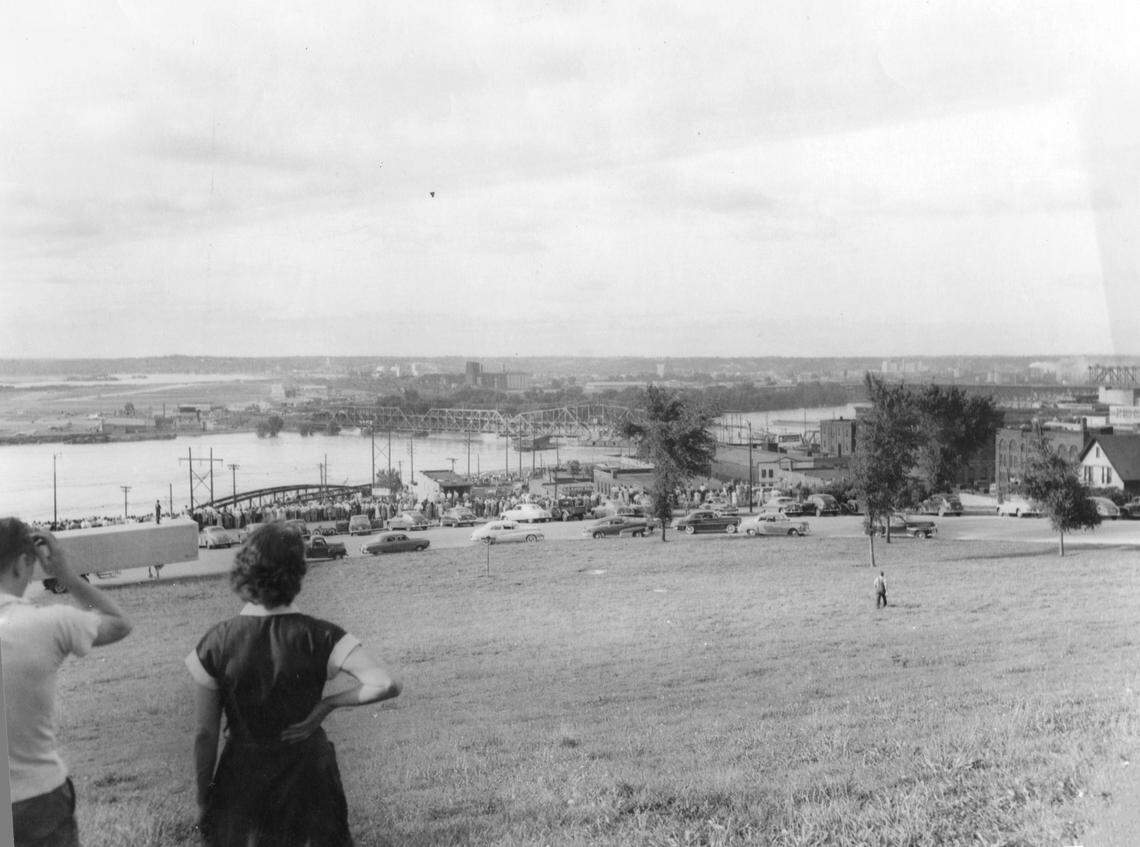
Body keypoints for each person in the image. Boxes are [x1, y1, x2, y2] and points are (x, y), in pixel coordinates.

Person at [187, 522, 401, 846]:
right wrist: (327, 705)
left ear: (246, 571)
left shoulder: (215, 642)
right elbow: (386, 683)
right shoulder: (322, 635)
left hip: (242, 779)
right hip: (309, 780)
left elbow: (205, 734)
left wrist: (205, 799)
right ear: (298, 574)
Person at [0, 517, 133, 847]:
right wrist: (67, 575)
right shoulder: (50, 623)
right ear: (23, 563)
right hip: (38, 797)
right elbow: (119, 623)